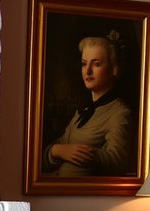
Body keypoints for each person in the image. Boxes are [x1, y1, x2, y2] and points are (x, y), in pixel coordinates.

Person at [44, 33, 135, 177]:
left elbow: (117, 163)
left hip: (87, 195)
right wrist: (57, 150)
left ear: (114, 69)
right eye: (84, 64)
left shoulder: (120, 113)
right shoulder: (83, 111)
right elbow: (53, 150)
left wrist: (86, 153)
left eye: (96, 64)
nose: (88, 71)